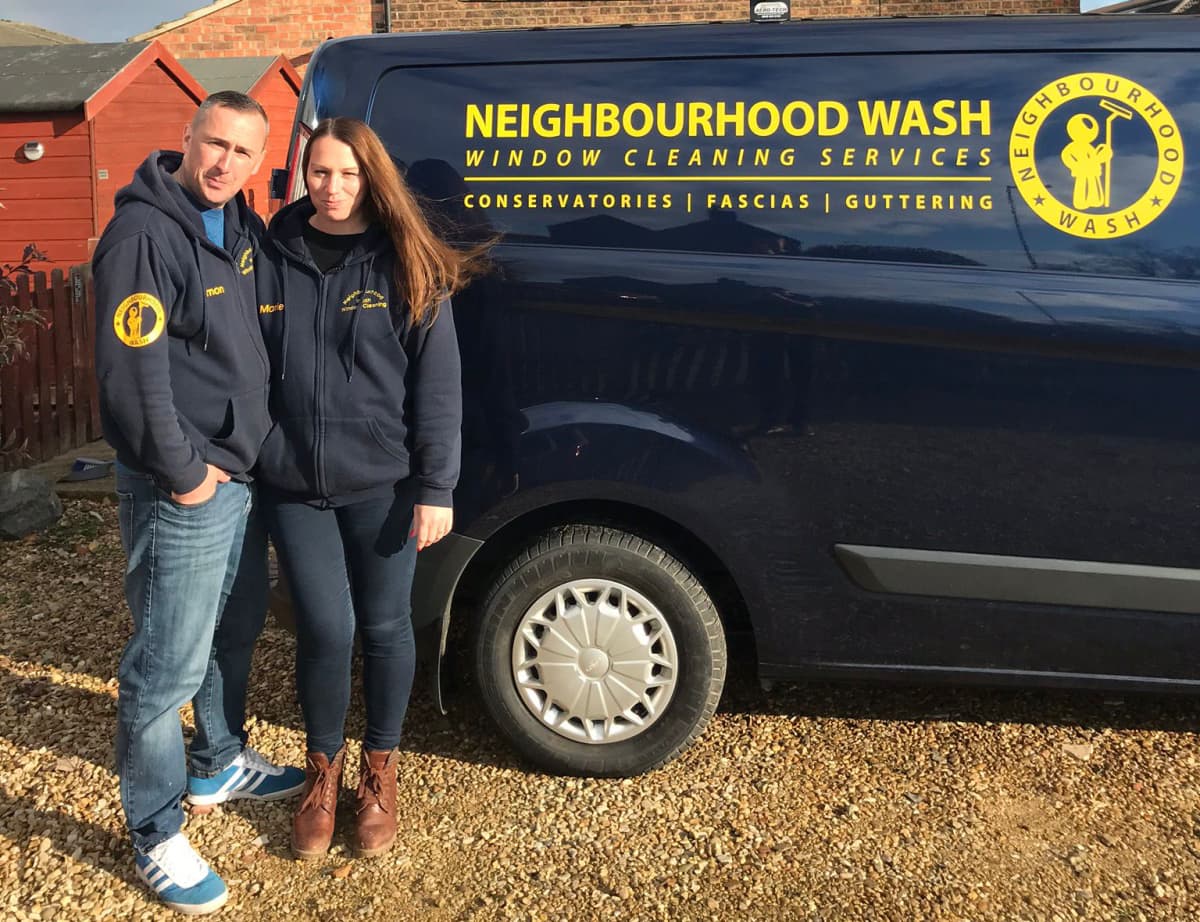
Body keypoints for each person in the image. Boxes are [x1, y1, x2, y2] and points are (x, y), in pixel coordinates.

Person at [93, 91, 305, 916]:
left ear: (260, 162)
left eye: (243, 152)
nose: (224, 163)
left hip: (238, 477)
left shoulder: (239, 227)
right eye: (214, 143)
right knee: (164, 666)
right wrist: (183, 472)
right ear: (185, 138)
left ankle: (216, 761)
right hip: (182, 484)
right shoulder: (143, 235)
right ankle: (154, 827)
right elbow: (131, 376)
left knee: (232, 628)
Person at [254, 118, 485, 860]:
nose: (334, 187)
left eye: (349, 174)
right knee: (326, 629)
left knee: (385, 628)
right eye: (321, 172)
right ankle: (323, 772)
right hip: (294, 483)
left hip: (385, 487)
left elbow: (438, 388)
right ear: (304, 174)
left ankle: (379, 771)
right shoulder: (268, 254)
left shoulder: (404, 261)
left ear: (372, 178)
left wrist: (436, 485)